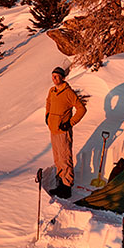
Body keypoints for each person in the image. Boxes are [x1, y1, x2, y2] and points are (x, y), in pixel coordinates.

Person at [44, 65, 86, 198]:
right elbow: (48, 102)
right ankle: (60, 184)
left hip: (63, 131)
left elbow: (81, 109)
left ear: (62, 77)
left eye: (56, 76)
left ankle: (67, 187)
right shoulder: (52, 91)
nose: (54, 78)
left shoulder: (68, 93)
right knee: (58, 159)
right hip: (53, 130)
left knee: (65, 158)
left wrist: (69, 123)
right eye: (53, 76)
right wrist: (47, 115)